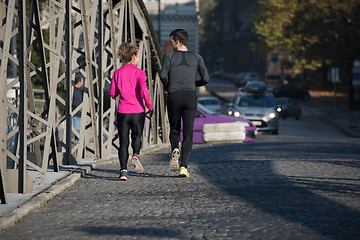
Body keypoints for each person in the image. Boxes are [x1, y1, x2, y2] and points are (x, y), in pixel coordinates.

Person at [160, 29, 210, 178]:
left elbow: (163, 75)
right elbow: (206, 78)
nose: (170, 43)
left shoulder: (169, 57)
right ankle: (184, 167)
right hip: (190, 96)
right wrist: (194, 83)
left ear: (177, 41)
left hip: (174, 95)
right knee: (188, 134)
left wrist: (169, 85)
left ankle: (175, 148)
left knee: (175, 129)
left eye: (171, 41)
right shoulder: (197, 57)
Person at [109, 42, 153, 181]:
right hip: (138, 111)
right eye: (138, 55)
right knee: (137, 136)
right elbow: (144, 91)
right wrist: (150, 106)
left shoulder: (117, 73)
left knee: (123, 142)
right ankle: (136, 154)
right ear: (134, 57)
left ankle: (123, 172)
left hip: (123, 112)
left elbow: (112, 93)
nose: (139, 58)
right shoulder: (140, 73)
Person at [72, 76, 84, 142]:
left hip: (79, 114)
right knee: (76, 131)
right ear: (79, 82)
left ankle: (77, 147)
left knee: (78, 131)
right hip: (75, 114)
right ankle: (76, 147)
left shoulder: (77, 91)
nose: (83, 83)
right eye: (82, 81)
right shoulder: (73, 90)